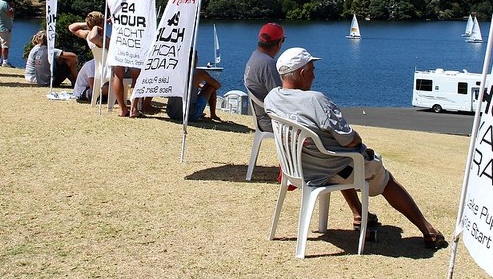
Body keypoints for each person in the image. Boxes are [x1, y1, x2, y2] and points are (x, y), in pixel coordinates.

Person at [264, 46, 447, 249]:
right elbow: (348, 139)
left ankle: (360, 214)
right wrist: (357, 141)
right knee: (379, 175)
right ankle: (427, 229)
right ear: (302, 73)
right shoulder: (315, 100)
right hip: (332, 169)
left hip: (301, 169)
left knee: (340, 159)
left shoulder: (272, 98)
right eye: (312, 70)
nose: (314, 75)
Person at [243, 22, 285, 132]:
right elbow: (281, 99)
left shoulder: (255, 56)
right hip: (271, 122)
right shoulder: (268, 64)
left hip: (261, 118)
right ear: (279, 43)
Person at [166, 53, 221, 122]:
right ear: (195, 59)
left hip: (171, 113)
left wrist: (198, 85)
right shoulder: (199, 73)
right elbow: (217, 85)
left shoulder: (175, 71)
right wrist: (202, 85)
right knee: (210, 86)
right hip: (190, 116)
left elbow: (185, 83)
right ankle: (213, 115)